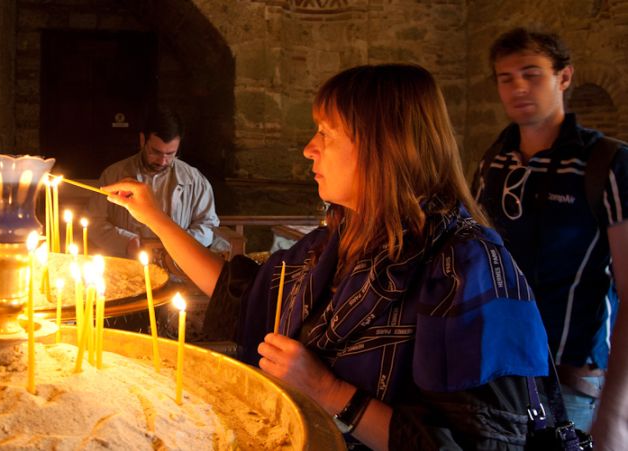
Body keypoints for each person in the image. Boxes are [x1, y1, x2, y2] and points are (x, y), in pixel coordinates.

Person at [104, 64, 550, 449]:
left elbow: (473, 442)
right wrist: (155, 217)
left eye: (326, 133)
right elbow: (241, 292)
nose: (308, 148)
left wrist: (326, 388)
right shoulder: (337, 240)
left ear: (383, 147)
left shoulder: (466, 269)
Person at [473, 28, 628, 447]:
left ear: (564, 77)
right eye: (505, 77)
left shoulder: (605, 164)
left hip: (570, 383)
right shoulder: (494, 161)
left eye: (532, 73)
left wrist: (616, 413)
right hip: (496, 377)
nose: (518, 87)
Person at [86, 107, 220, 257]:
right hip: (128, 265)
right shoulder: (114, 175)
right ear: (143, 140)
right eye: (156, 152)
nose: (163, 161)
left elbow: (207, 226)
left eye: (170, 154)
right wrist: (126, 242)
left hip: (177, 268)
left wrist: (179, 244)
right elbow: (94, 222)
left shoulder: (195, 180)